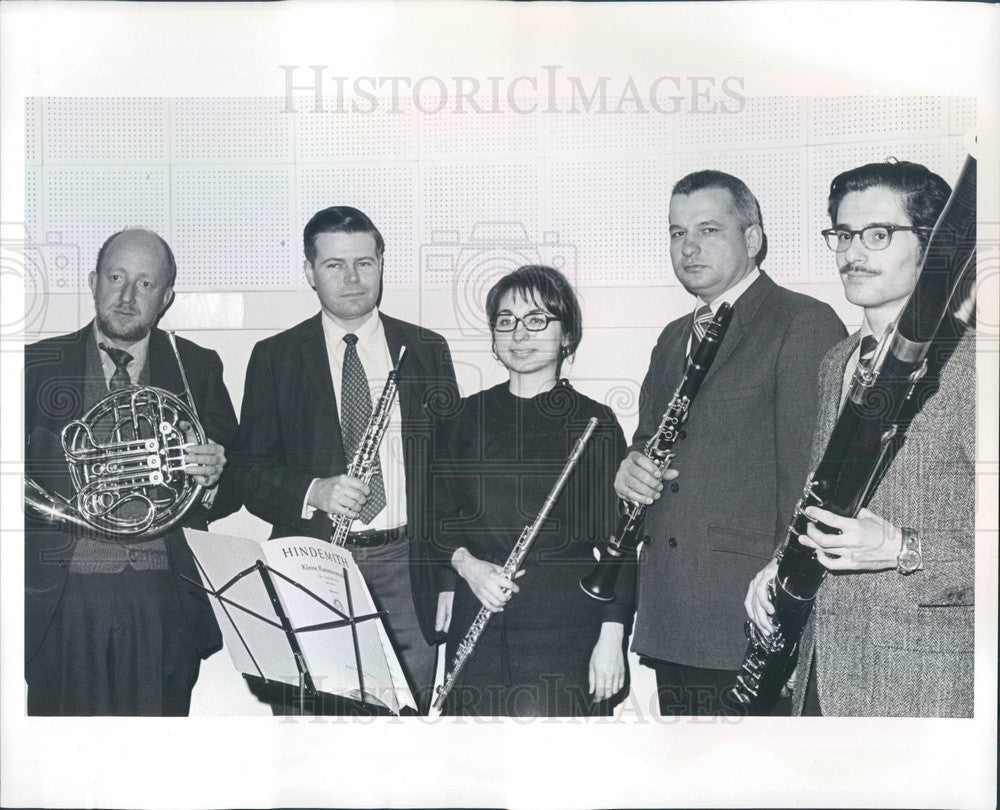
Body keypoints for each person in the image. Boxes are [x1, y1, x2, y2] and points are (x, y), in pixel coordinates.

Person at [745, 160, 974, 716]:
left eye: (878, 234)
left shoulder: (978, 368)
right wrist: (779, 562)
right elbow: (824, 497)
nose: (852, 252)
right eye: (844, 234)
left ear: (932, 245)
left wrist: (901, 549)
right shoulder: (836, 362)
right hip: (822, 670)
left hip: (924, 683)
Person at [616, 170, 846, 716]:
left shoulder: (803, 322)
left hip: (749, 615)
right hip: (672, 612)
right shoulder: (674, 336)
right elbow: (649, 443)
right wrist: (629, 469)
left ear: (753, 239)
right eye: (676, 233)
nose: (688, 247)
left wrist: (789, 615)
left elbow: (810, 483)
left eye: (708, 229)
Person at [233, 206, 458, 714]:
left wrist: (448, 575)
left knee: (401, 732)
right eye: (334, 265)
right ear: (310, 272)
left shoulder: (427, 350)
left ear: (383, 264)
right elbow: (248, 474)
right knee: (312, 728)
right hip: (313, 564)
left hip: (408, 567)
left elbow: (451, 475)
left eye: (365, 262)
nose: (353, 278)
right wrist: (313, 490)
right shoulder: (274, 356)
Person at [24, 228, 238, 716]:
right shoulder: (34, 366)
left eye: (144, 284)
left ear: (166, 297)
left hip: (162, 599)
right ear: (94, 281)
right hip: (60, 601)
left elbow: (233, 490)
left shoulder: (197, 368)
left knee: (152, 772)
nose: (126, 296)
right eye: (116, 277)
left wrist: (211, 480)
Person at [431, 265, 630, 716]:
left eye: (537, 319)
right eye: (506, 321)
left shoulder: (594, 423)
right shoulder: (463, 418)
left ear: (566, 335)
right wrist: (468, 569)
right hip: (476, 618)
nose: (520, 333)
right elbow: (436, 521)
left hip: (562, 629)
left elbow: (623, 541)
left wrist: (612, 635)